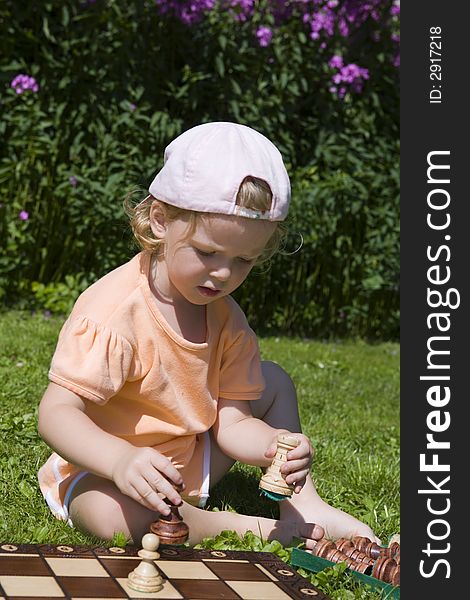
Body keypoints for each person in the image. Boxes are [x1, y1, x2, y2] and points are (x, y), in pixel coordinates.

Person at [37, 122, 379, 547]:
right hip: (104, 471)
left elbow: (232, 424)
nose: (223, 274)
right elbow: (57, 413)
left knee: (273, 381)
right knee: (114, 517)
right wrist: (120, 459)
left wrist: (274, 446)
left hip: (190, 462)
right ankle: (249, 528)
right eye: (207, 252)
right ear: (160, 221)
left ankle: (302, 503)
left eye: (243, 260)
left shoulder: (227, 319)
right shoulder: (115, 312)